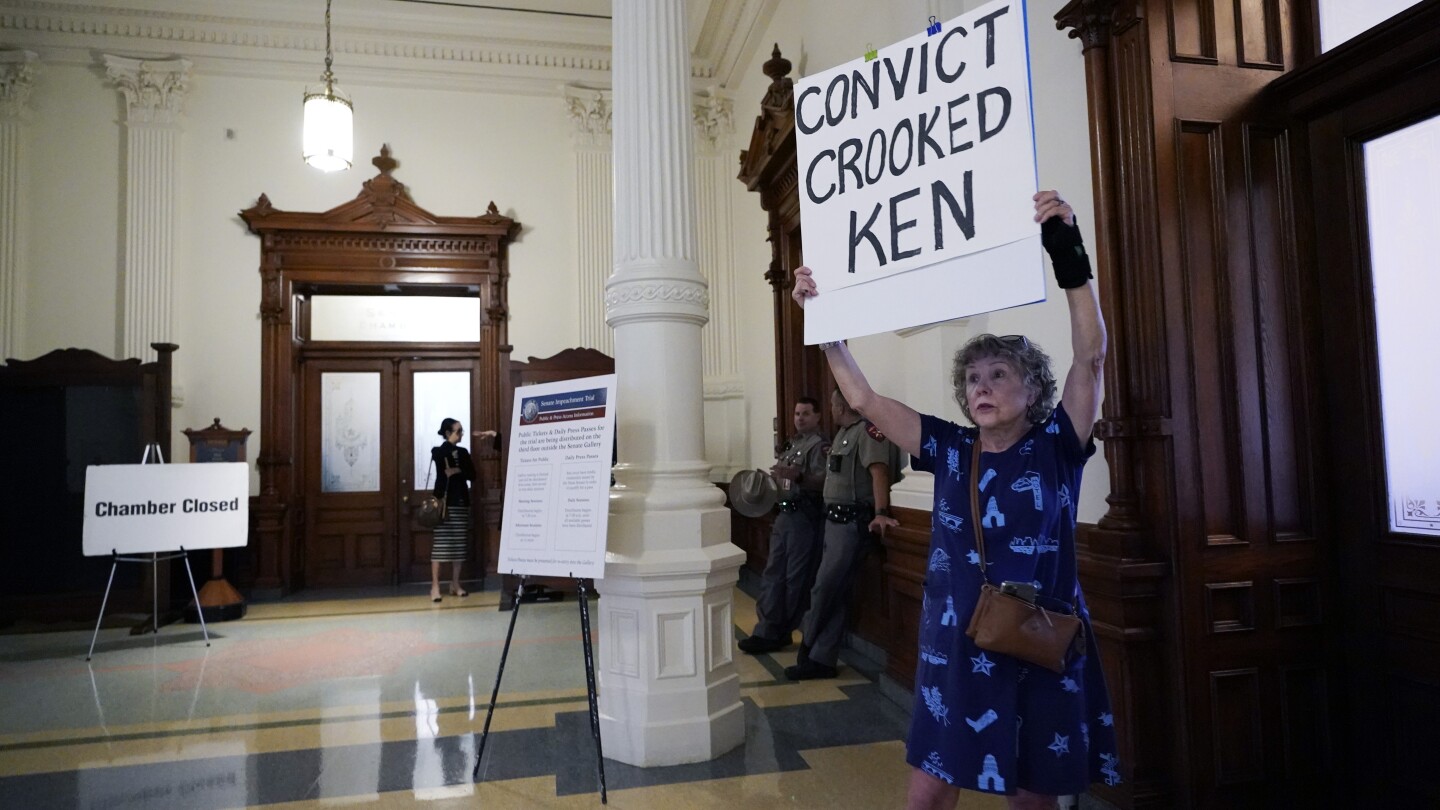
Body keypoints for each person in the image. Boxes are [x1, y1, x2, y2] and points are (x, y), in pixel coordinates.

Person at [791, 190, 1118, 810]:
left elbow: (1090, 355)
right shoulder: (948, 446)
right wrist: (824, 322)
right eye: (973, 378)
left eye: (999, 374)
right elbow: (863, 400)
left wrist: (1066, 250)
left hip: (1039, 637)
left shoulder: (1057, 445)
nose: (983, 386)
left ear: (1033, 388)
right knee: (929, 792)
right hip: (959, 640)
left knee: (1032, 795)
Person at [783, 386, 904, 680]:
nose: (833, 409)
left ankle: (809, 649)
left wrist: (881, 513)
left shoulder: (869, 432)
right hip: (832, 522)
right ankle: (821, 659)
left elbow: (879, 472)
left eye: (834, 405)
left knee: (824, 589)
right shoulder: (840, 435)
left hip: (851, 523)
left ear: (842, 406)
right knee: (833, 593)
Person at [738, 397, 829, 655]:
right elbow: (785, 480)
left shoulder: (819, 446)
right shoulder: (792, 445)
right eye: (797, 413)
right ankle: (766, 629)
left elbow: (825, 482)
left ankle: (780, 631)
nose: (800, 418)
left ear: (818, 416)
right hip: (783, 515)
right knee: (773, 573)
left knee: (794, 579)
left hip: (804, 517)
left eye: (806, 413)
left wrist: (797, 476)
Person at [429, 418, 496, 603]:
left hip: (461, 502)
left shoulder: (464, 452)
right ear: (448, 433)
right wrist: (454, 465)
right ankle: (435, 586)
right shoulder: (439, 450)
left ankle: (455, 583)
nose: (461, 435)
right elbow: (442, 464)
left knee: (459, 546)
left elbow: (471, 475)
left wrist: (457, 469)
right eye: (458, 431)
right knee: (440, 547)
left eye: (461, 431)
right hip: (444, 504)